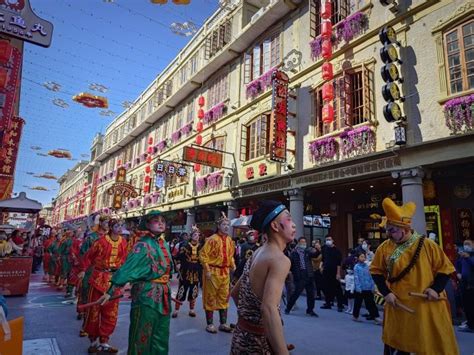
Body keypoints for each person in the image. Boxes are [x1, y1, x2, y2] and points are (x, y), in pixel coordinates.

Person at [370, 198, 459, 355]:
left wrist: (435, 289)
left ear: (404, 228)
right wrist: (386, 293)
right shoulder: (384, 248)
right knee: (399, 344)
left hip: (426, 306)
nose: (388, 234)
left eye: (392, 230)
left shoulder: (428, 245)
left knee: (428, 345)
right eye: (387, 230)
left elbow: (445, 269)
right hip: (398, 304)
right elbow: (376, 271)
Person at [97, 210, 173, 355]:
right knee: (142, 335)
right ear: (148, 224)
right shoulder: (142, 245)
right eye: (156, 220)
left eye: (163, 220)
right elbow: (127, 269)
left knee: (161, 335)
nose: (161, 223)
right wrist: (111, 290)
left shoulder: (164, 243)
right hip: (146, 295)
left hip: (163, 295)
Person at [230, 200, 295, 354]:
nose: (294, 225)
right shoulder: (280, 260)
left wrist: (250, 323)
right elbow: (269, 309)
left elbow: (235, 293)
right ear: (275, 226)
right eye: (289, 218)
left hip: (241, 338)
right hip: (257, 345)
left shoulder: (257, 252)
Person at [82, 219, 128, 354]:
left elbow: (125, 262)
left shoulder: (124, 243)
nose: (119, 228)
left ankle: (104, 341)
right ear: (110, 227)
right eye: (116, 225)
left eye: (121, 225)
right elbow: (88, 256)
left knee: (111, 313)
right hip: (98, 280)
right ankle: (93, 341)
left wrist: (125, 279)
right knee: (94, 312)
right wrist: (83, 270)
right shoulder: (101, 241)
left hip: (114, 282)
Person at [199, 212, 235, 333]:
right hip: (213, 272)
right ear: (219, 226)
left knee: (224, 297)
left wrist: (232, 265)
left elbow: (231, 255)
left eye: (228, 225)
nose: (226, 226)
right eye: (224, 224)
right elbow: (203, 255)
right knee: (210, 296)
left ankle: (223, 323)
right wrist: (207, 270)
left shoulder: (230, 240)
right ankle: (210, 324)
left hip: (225, 273)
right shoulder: (212, 239)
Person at [77, 214, 110, 336]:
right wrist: (83, 269)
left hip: (106, 274)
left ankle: (102, 331)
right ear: (100, 223)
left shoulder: (110, 238)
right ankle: (85, 326)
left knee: (104, 301)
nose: (108, 225)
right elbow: (84, 254)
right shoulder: (91, 238)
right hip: (92, 270)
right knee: (88, 295)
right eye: (106, 222)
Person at [172, 225, 203, 318]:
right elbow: (177, 257)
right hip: (185, 270)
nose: (196, 236)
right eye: (195, 235)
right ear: (191, 236)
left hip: (196, 271)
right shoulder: (185, 246)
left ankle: (191, 310)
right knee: (182, 289)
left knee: (194, 290)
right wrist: (177, 264)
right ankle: (176, 310)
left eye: (198, 235)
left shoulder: (201, 247)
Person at [285, 237, 320, 317]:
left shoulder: (307, 251)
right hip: (300, 276)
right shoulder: (294, 253)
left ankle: (310, 310)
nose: (304, 244)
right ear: (299, 243)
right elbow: (290, 264)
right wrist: (290, 272)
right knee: (296, 293)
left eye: (305, 242)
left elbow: (315, 255)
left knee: (311, 294)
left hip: (309, 275)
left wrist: (318, 249)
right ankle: (288, 308)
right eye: (302, 242)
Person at [352, 252, 381, 324]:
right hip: (360, 288)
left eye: (364, 257)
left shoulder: (368, 266)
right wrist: (358, 288)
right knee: (358, 303)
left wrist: (372, 286)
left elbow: (371, 276)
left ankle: (375, 317)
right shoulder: (356, 267)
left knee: (371, 303)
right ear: (358, 258)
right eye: (361, 257)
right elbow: (356, 278)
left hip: (368, 287)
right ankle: (355, 316)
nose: (363, 258)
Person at [321, 236, 344, 311]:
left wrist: (338, 273)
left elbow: (338, 264)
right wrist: (321, 266)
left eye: (329, 239)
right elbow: (323, 259)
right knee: (326, 287)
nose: (328, 241)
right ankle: (328, 303)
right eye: (326, 240)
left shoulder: (337, 251)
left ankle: (340, 305)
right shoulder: (325, 249)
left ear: (333, 240)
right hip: (326, 271)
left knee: (337, 288)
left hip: (334, 271)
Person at [456, 239, 474, 333]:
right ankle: (470, 323)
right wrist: (458, 273)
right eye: (464, 244)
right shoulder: (462, 256)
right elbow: (457, 266)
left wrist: (468, 258)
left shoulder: (471, 256)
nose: (466, 246)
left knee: (472, 305)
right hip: (464, 284)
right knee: (467, 305)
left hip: (472, 285)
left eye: (468, 244)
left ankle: (471, 325)